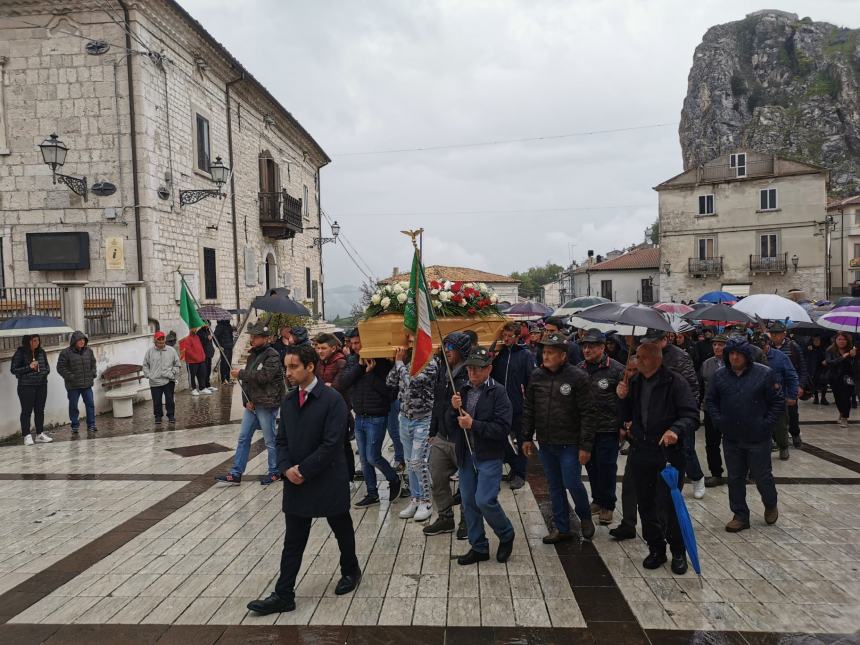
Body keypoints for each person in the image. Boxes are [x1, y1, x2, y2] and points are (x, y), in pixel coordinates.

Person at [247, 344, 360, 615]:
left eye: (293, 367)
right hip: (295, 479)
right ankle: (284, 593)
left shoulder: (333, 400)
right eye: (286, 367)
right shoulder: (288, 401)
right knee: (293, 540)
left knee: (341, 528)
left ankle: (350, 570)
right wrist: (285, 468)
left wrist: (303, 470)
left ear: (310, 367)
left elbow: (332, 444)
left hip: (327, 477)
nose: (288, 372)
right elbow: (281, 440)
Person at [617, 342, 698, 575]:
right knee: (645, 503)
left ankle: (678, 551)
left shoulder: (674, 382)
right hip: (642, 450)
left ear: (656, 359)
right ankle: (656, 548)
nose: (637, 361)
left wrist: (675, 429)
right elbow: (625, 416)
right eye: (637, 356)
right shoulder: (634, 382)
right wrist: (622, 397)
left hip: (667, 452)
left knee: (668, 504)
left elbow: (691, 415)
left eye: (642, 357)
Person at [522, 333, 597, 542]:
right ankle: (562, 527)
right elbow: (529, 408)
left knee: (572, 482)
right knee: (554, 486)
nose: (545, 356)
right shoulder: (537, 376)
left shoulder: (578, 377)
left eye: (550, 353)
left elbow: (588, 413)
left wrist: (586, 446)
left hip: (570, 444)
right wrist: (526, 437)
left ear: (562, 356)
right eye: (544, 352)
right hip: (546, 442)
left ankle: (585, 516)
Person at [706, 338, 782, 532]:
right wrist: (719, 420)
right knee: (735, 477)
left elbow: (777, 402)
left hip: (758, 436)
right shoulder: (720, 375)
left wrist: (766, 425)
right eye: (731, 353)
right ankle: (740, 514)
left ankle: (770, 503)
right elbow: (711, 401)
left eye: (738, 354)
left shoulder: (764, 374)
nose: (734, 357)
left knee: (762, 475)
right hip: (731, 436)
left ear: (746, 355)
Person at [449, 347, 516, 564]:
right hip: (466, 454)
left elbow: (502, 428)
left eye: (477, 369)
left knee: (485, 500)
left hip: (489, 455)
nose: (472, 373)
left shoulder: (499, 392)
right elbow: (454, 424)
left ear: (489, 368)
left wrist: (473, 425)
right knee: (468, 502)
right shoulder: (463, 389)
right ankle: (478, 546)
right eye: (469, 368)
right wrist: (453, 410)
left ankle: (506, 534)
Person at [215, 321, 285, 485]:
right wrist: (246, 401)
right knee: (243, 438)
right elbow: (247, 383)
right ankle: (236, 472)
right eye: (252, 336)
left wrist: (241, 373)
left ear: (265, 338)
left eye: (255, 337)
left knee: (269, 439)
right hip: (252, 405)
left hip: (266, 404)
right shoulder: (253, 354)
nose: (252, 339)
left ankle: (275, 471)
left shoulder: (272, 355)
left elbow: (264, 377)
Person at [336, 330, 400, 508]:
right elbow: (343, 382)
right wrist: (361, 367)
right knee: (364, 459)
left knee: (373, 456)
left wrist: (371, 374)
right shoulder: (352, 361)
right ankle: (372, 493)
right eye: (353, 343)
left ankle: (393, 479)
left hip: (377, 416)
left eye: (359, 343)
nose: (356, 347)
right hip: (360, 416)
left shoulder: (382, 363)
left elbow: (390, 393)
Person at [642, 329, 705, 499]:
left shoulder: (679, 357)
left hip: (679, 414)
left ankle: (697, 477)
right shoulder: (647, 355)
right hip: (655, 414)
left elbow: (692, 387)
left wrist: (689, 413)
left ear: (664, 339)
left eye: (654, 341)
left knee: (686, 450)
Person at [424, 332, 471, 538]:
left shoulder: (469, 372)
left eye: (450, 347)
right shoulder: (444, 370)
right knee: (436, 476)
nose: (447, 351)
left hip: (462, 437)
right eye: (445, 347)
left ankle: (468, 521)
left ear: (461, 350)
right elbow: (437, 403)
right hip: (442, 436)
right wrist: (433, 430)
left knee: (467, 484)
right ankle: (445, 517)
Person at [386, 338, 438, 522]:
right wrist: (398, 362)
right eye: (408, 341)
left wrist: (400, 364)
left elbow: (412, 383)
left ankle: (426, 501)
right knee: (409, 462)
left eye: (413, 341)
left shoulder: (431, 364)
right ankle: (415, 499)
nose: (409, 344)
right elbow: (390, 382)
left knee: (418, 461)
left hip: (423, 419)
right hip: (405, 418)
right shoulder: (406, 362)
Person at [578, 329, 624, 526]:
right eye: (584, 346)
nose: (587, 350)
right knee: (591, 467)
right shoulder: (578, 369)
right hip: (586, 430)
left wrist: (623, 424)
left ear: (602, 347)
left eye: (591, 346)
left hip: (608, 428)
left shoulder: (616, 369)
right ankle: (597, 499)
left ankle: (608, 504)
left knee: (606, 466)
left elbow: (624, 401)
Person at [490, 322, 536, 490]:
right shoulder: (500, 354)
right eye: (504, 336)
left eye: (510, 336)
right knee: (501, 439)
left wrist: (530, 404)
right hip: (499, 405)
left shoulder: (525, 355)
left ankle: (520, 474)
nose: (506, 339)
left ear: (517, 337)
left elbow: (530, 380)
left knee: (522, 440)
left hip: (518, 405)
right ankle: (515, 466)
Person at [608, 356, 639, 541]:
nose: (632, 374)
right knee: (629, 485)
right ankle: (628, 524)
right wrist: (622, 398)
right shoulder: (625, 387)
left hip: (654, 445)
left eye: (636, 370)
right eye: (629, 370)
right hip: (636, 445)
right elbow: (621, 413)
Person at [757, 334, 799, 459]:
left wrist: (792, 395)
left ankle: (783, 446)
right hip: (759, 398)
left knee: (780, 425)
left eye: (762, 346)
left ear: (768, 344)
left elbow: (791, 376)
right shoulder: (752, 356)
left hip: (777, 397)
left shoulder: (781, 357)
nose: (760, 349)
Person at [769, 322, 807, 448]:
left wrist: (800, 385)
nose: (775, 336)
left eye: (777, 333)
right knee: (774, 413)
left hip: (790, 385)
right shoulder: (768, 347)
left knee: (792, 413)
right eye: (773, 333)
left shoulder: (793, 346)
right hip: (774, 387)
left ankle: (795, 434)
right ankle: (777, 438)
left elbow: (802, 367)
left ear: (784, 333)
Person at [11, 334, 52, 445]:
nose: (36, 343)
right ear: (27, 342)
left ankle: (39, 434)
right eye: (34, 340)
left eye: (38, 340)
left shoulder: (41, 352)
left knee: (40, 410)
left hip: (41, 385)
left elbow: (47, 367)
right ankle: (27, 435)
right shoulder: (20, 353)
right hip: (26, 386)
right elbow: (14, 369)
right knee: (26, 411)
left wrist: (44, 373)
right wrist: (29, 367)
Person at [56, 331, 98, 433]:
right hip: (73, 385)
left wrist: (93, 373)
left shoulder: (89, 351)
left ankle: (91, 425)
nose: (82, 342)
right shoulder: (65, 353)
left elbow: (93, 363)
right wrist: (70, 376)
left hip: (87, 384)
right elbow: (60, 367)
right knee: (73, 405)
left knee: (90, 404)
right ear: (74, 341)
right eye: (79, 340)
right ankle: (75, 425)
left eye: (83, 340)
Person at [700, 335, 728, 487]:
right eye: (715, 345)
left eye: (721, 345)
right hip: (711, 408)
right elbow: (701, 385)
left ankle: (742, 471)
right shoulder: (706, 364)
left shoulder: (733, 362)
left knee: (735, 442)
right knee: (711, 443)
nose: (717, 347)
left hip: (730, 409)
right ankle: (716, 473)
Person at [142, 331, 181, 426]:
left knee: (170, 399)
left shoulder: (171, 350)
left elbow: (177, 364)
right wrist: (148, 375)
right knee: (157, 400)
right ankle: (158, 416)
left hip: (168, 380)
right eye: (159, 342)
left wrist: (173, 373)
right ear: (155, 342)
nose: (161, 344)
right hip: (155, 381)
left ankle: (171, 415)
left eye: (163, 342)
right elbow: (145, 365)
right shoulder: (150, 352)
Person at [824, 332, 857, 427]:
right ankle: (842, 413)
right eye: (839, 339)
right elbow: (830, 363)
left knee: (846, 398)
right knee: (838, 398)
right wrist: (843, 357)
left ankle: (844, 418)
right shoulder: (830, 350)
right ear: (835, 340)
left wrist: (853, 356)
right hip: (835, 377)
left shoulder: (852, 350)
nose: (842, 341)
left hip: (848, 378)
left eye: (844, 339)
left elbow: (855, 364)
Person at [179, 329, 207, 396]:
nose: (195, 329)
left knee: (202, 374)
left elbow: (200, 347)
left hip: (200, 360)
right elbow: (188, 350)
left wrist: (203, 355)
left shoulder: (197, 336)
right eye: (193, 328)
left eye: (195, 328)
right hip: (192, 361)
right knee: (192, 376)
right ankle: (193, 388)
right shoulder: (187, 337)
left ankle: (202, 388)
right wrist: (196, 357)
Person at [804, 335, 828, 405]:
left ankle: (823, 398)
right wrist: (808, 350)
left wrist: (826, 360)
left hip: (823, 368)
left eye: (818, 340)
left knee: (824, 383)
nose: (816, 341)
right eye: (815, 340)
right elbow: (806, 357)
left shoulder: (823, 347)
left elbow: (827, 355)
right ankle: (816, 397)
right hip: (813, 368)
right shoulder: (809, 347)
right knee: (814, 383)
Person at [213, 319, 235, 384]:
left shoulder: (229, 325)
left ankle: (227, 378)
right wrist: (219, 346)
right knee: (224, 363)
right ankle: (224, 379)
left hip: (230, 346)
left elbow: (230, 335)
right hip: (224, 347)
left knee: (228, 363)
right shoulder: (220, 326)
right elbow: (214, 336)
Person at [196, 324, 216, 393]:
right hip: (204, 355)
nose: (208, 325)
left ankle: (208, 385)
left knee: (208, 370)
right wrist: (207, 339)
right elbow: (200, 344)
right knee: (203, 371)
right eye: (207, 324)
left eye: (209, 324)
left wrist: (213, 349)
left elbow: (210, 343)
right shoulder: (199, 332)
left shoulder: (208, 331)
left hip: (209, 354)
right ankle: (203, 386)